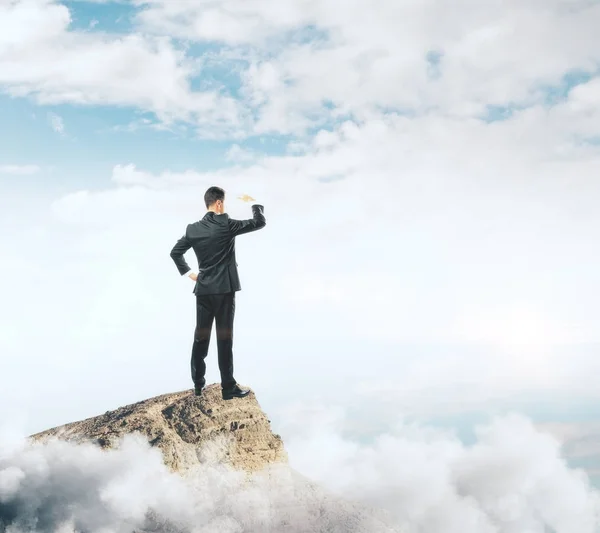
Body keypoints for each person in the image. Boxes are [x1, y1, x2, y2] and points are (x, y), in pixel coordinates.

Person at [170, 186, 266, 400]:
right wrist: (254, 203)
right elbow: (259, 222)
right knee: (224, 339)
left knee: (200, 337)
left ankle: (197, 385)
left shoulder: (192, 229)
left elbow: (175, 253)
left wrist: (189, 273)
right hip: (224, 290)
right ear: (219, 203)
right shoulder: (226, 224)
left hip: (203, 289)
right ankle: (228, 388)